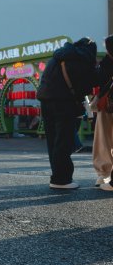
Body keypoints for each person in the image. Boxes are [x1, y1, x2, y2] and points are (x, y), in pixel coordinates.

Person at [37, 37, 113, 190]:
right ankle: (61, 180)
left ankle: (57, 177)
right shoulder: (81, 59)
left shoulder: (59, 56)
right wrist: (107, 62)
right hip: (64, 103)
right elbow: (94, 80)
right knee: (64, 140)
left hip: (45, 101)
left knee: (53, 141)